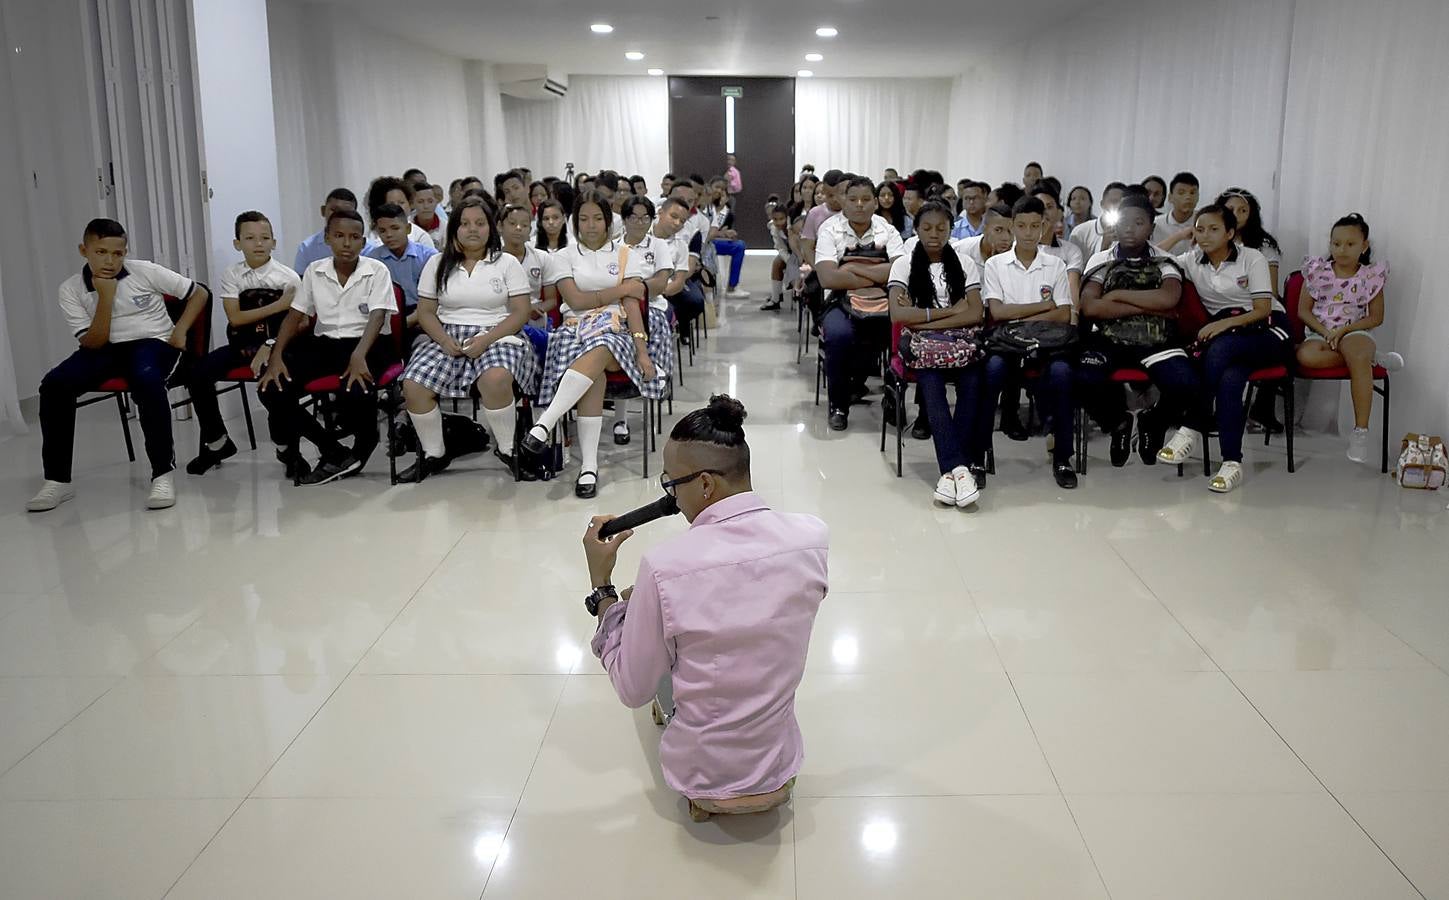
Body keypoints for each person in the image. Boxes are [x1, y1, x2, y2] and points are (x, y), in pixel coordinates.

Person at [582, 395, 829, 822]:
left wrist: (602, 590)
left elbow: (631, 688)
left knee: (653, 644)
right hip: (779, 764)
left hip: (702, 776)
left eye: (670, 485)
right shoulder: (812, 537)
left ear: (705, 485)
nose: (670, 498)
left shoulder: (663, 568)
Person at [28, 218, 210, 512]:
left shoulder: (146, 271)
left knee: (146, 380)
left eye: (118, 253)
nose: (110, 261)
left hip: (152, 342)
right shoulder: (70, 289)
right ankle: (57, 480)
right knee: (54, 385)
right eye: (101, 252)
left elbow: (199, 292)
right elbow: (93, 342)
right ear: (83, 250)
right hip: (102, 347)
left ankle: (162, 473)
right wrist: (105, 299)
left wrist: (180, 330)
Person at [521, 191, 665, 499]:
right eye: (583, 219)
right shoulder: (563, 256)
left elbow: (632, 305)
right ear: (574, 223)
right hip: (572, 332)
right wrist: (618, 290)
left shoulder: (626, 254)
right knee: (594, 374)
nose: (591, 225)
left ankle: (545, 422)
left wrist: (642, 352)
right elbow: (575, 301)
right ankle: (589, 467)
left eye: (598, 218)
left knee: (603, 342)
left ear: (608, 221)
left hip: (616, 333)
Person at [397, 197, 540, 482]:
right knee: (413, 385)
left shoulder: (506, 262)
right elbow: (425, 312)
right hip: (446, 334)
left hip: (498, 332)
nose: (472, 229)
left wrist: (486, 339)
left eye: (479, 223)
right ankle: (434, 453)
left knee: (495, 378)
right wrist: (442, 340)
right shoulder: (437, 263)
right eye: (464, 224)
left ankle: (508, 449)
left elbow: (521, 312)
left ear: (491, 227)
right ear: (454, 229)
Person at [258, 209, 397, 485]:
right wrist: (276, 356)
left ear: (363, 241)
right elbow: (295, 316)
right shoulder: (314, 270)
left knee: (358, 391)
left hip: (369, 344)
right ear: (327, 238)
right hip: (326, 344)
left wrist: (358, 356)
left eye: (355, 237)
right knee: (272, 389)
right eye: (339, 236)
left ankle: (363, 445)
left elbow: (378, 316)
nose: (347, 243)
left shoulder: (376, 270)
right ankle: (331, 448)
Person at [1158, 204, 1289, 493]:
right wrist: (1181, 234)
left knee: (1220, 350)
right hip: (1230, 339)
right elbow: (1155, 256)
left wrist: (1222, 327)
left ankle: (1192, 425)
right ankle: (1232, 463)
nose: (1205, 236)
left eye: (1214, 229)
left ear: (1231, 233)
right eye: (1200, 229)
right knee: (1230, 380)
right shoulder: (1192, 260)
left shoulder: (1251, 258)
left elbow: (1262, 308)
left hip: (1268, 330)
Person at [1077, 194, 1195, 468]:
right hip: (1108, 339)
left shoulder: (1165, 260)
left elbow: (1168, 300)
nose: (1130, 228)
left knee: (1186, 384)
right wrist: (1146, 306)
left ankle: (1152, 420)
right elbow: (1091, 307)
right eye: (1124, 222)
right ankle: (1117, 421)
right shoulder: (1101, 259)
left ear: (1151, 228)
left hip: (1156, 340)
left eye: (1139, 222)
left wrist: (1116, 295)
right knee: (1082, 379)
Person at [185, 211, 300, 476]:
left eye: (264, 238)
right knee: (197, 373)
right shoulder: (232, 274)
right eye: (249, 238)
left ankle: (286, 447)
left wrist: (271, 342)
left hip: (277, 347)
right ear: (237, 243)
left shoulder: (288, 277)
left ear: (274, 242)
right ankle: (217, 442)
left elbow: (293, 323)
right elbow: (235, 318)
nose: (258, 244)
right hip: (241, 345)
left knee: (274, 385)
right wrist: (278, 304)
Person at [888, 201, 987, 506]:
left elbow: (975, 314)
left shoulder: (965, 263)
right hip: (923, 348)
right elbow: (897, 315)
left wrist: (924, 316)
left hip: (959, 344)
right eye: (927, 228)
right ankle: (960, 468)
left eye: (941, 228)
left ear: (950, 229)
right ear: (916, 230)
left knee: (973, 380)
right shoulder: (903, 264)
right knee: (930, 382)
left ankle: (951, 473)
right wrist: (946, 312)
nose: (934, 234)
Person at [981, 196, 1077, 489]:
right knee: (992, 371)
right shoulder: (996, 264)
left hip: (1047, 342)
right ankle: (977, 454)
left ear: (1044, 226)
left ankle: (1062, 456)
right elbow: (997, 312)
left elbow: (1062, 315)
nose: (1028, 232)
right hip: (1008, 343)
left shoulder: (1056, 265)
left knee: (1062, 374)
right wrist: (1042, 306)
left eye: (1035, 225)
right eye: (1021, 225)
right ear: (1011, 226)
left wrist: (1023, 311)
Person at [814, 175, 906, 431]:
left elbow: (901, 272)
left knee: (902, 334)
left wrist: (851, 267)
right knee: (838, 334)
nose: (859, 205)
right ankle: (839, 406)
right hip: (840, 301)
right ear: (843, 201)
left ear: (876, 203)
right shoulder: (830, 229)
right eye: (853, 199)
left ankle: (893, 401)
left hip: (884, 302)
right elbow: (827, 277)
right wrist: (877, 274)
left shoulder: (887, 230)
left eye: (866, 199)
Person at [1296, 213, 1389, 463]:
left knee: (1356, 350)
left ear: (1364, 246)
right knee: (1306, 356)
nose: (1342, 250)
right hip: (1320, 333)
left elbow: (1376, 317)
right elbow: (1303, 311)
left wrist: (1344, 331)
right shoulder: (1317, 272)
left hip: (1354, 332)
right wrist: (1327, 332)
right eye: (1336, 244)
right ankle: (1368, 360)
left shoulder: (1370, 276)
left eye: (1350, 244)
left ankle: (1360, 432)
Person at [615, 195, 678, 445]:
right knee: (618, 343)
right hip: (619, 309)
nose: (639, 223)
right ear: (625, 219)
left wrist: (632, 289)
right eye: (634, 217)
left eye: (645, 218)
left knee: (649, 328)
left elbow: (661, 284)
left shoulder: (658, 246)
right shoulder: (615, 247)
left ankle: (654, 385)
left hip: (653, 307)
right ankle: (620, 418)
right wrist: (633, 289)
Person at [365, 202, 438, 340]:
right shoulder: (372, 260)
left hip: (424, 314)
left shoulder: (429, 257)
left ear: (408, 228)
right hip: (387, 318)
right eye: (382, 231)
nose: (389, 235)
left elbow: (436, 298)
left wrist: (408, 321)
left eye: (395, 228)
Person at [499, 201, 554, 358]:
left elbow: (551, 300)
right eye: (512, 223)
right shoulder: (491, 259)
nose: (518, 228)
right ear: (500, 226)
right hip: (503, 317)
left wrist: (539, 308)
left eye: (524, 225)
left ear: (530, 230)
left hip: (534, 318)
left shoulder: (542, 258)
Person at [293, 188, 381, 273]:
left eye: (346, 212)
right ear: (323, 210)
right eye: (334, 210)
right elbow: (301, 283)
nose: (339, 216)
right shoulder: (307, 248)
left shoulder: (370, 249)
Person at [656, 197, 705, 338]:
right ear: (660, 213)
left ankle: (678, 325)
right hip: (641, 291)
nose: (677, 223)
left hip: (665, 290)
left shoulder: (681, 245)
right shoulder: (643, 237)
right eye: (673, 216)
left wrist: (657, 293)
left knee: (695, 301)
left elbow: (679, 281)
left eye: (682, 221)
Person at [364, 176, 436, 250]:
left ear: (409, 204)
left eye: (401, 203)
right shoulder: (371, 237)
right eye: (391, 204)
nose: (398, 208)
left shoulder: (420, 237)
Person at [707, 176, 749, 299]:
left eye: (722, 189)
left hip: (716, 242)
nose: (719, 192)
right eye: (716, 188)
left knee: (739, 246)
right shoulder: (705, 206)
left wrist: (725, 234)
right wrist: (720, 233)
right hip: (704, 242)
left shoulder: (728, 213)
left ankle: (733, 286)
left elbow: (728, 233)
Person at [1070, 182, 1127, 260]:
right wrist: (1104, 247)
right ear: (1102, 204)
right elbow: (1074, 269)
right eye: (1114, 202)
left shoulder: (1132, 233)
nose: (1118, 207)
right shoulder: (1080, 232)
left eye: (1124, 203)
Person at [799, 169, 846, 265]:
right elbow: (807, 247)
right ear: (824, 190)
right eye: (830, 195)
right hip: (822, 265)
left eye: (839, 194)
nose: (835, 200)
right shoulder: (815, 213)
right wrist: (818, 270)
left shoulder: (852, 212)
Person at [1153, 172, 1200, 252]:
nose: (1188, 197)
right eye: (1181, 193)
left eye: (1192, 193)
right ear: (1170, 197)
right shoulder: (1156, 224)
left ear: (1198, 196)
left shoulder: (1204, 221)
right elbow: (1152, 254)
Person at [761, 205, 794, 311]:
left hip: (801, 253)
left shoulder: (793, 226)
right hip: (788, 254)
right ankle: (775, 299)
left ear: (787, 218)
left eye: (781, 219)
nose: (779, 222)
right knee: (777, 262)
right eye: (775, 219)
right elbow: (780, 248)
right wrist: (790, 262)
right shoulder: (773, 228)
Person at [411, 182, 448, 250]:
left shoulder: (445, 226)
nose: (426, 206)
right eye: (420, 202)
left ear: (436, 202)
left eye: (430, 201)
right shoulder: (408, 225)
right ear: (413, 204)